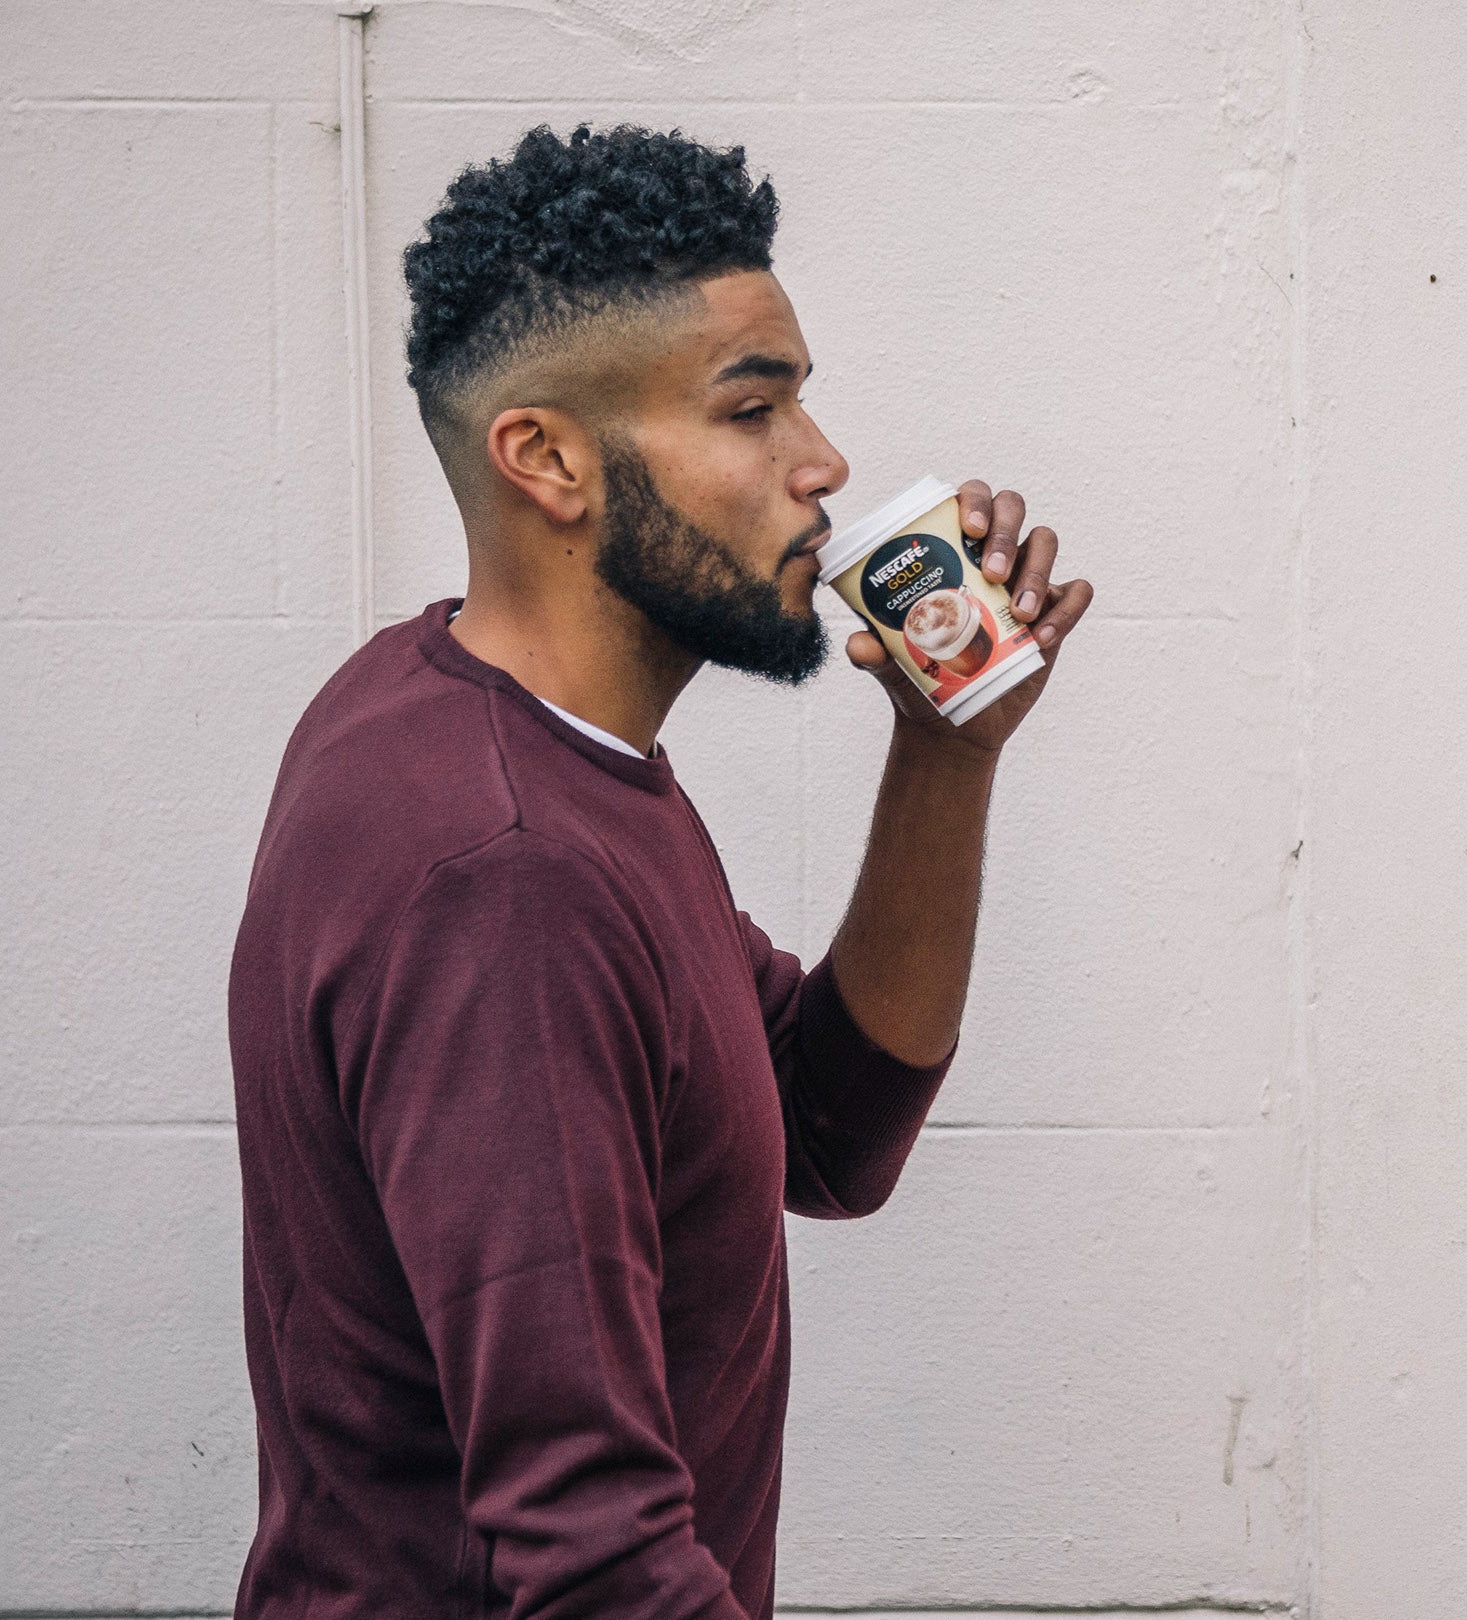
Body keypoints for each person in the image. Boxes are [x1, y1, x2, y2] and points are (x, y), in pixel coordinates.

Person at [225, 124, 1090, 1619]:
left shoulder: (480, 731)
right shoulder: (505, 876)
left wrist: (951, 751)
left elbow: (831, 1132)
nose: (823, 463)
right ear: (547, 459)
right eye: (753, 410)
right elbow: (590, 1554)